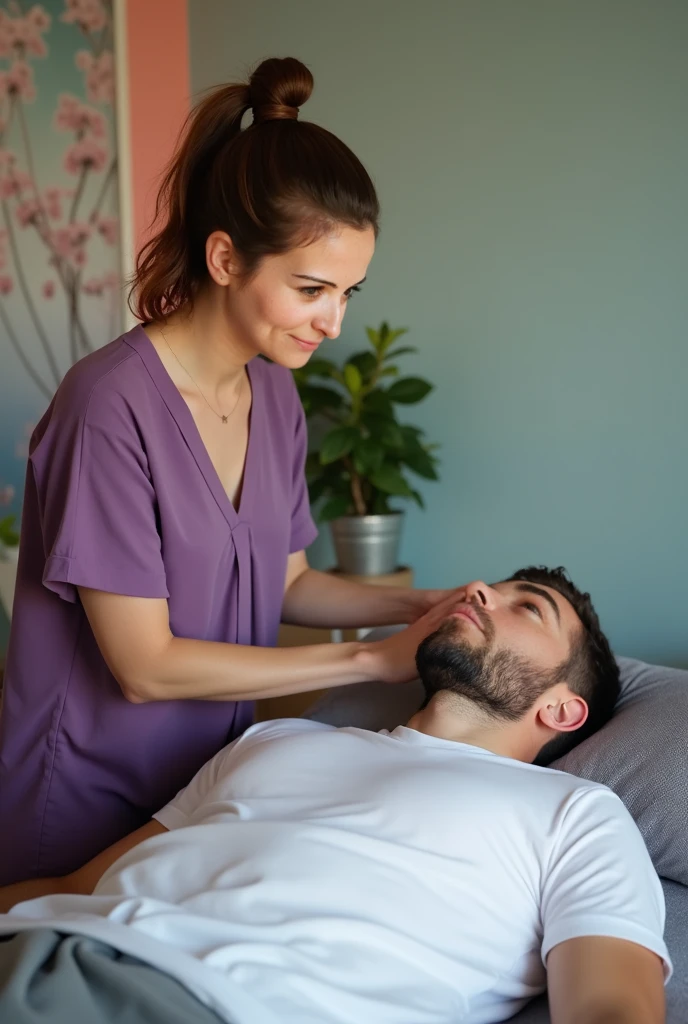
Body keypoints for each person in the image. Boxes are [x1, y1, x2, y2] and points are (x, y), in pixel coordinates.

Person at [0, 56, 461, 886]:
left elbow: (288, 583)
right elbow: (146, 668)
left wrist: (426, 604)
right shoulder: (108, 405)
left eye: (350, 291)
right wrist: (367, 659)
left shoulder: (274, 394)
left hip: (201, 789)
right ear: (224, 259)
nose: (334, 320)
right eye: (312, 288)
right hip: (80, 795)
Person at [0, 568, 670, 1024]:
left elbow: (612, 1010)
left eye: (527, 606)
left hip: (215, 1005)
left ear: (562, 709)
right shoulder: (276, 739)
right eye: (487, 587)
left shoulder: (576, 815)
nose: (479, 592)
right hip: (40, 948)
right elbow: (76, 884)